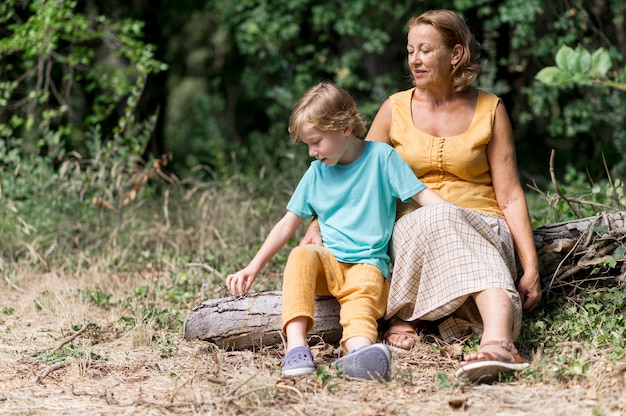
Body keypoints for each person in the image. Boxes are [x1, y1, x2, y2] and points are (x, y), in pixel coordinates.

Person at [300, 10, 542, 383]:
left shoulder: (491, 110)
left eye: (426, 50)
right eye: (411, 50)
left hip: (482, 226)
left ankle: (494, 342)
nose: (414, 59)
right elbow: (353, 173)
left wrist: (531, 267)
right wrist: (318, 221)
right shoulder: (394, 108)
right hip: (413, 235)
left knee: (446, 216)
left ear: (456, 54)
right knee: (436, 216)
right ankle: (476, 331)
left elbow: (510, 196)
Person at [226, 82, 447, 381]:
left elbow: (423, 196)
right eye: (307, 144)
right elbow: (286, 225)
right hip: (328, 262)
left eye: (316, 142)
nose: (311, 152)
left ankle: (359, 354)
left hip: (368, 265)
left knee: (361, 307)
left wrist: (459, 218)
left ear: (344, 128)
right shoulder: (317, 173)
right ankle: (296, 348)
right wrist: (253, 266)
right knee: (301, 255)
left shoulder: (382, 159)